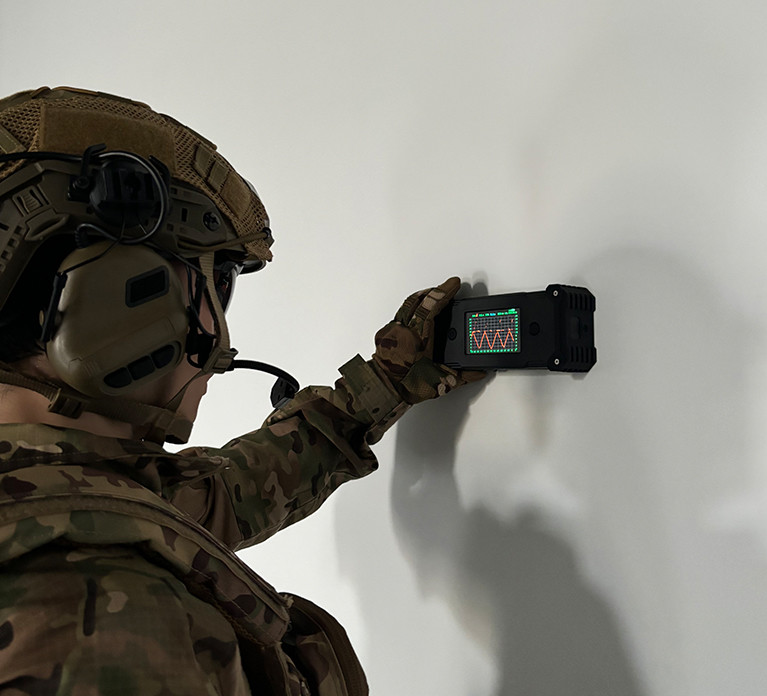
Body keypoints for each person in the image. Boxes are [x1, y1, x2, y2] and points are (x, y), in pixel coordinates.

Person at [0, 87, 483, 695]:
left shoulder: (52, 491)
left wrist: (387, 381)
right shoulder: (97, 613)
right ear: (114, 302)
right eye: (214, 287)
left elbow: (227, 492)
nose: (219, 339)